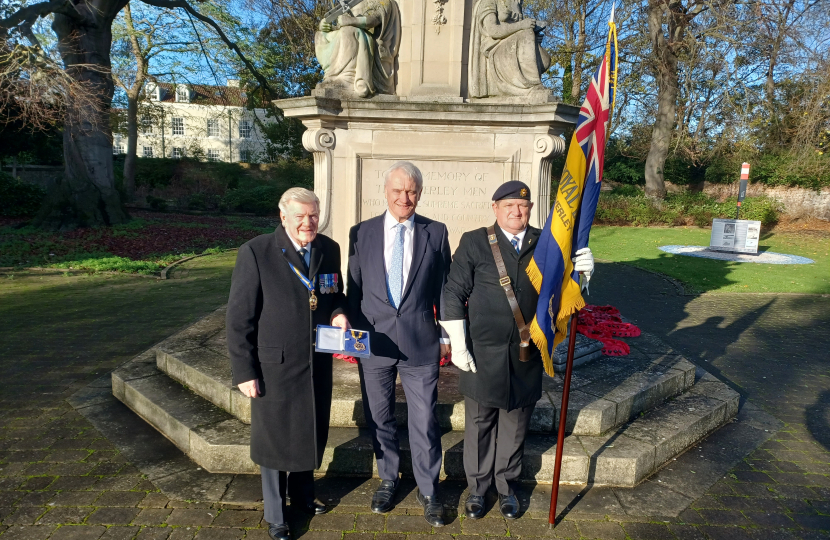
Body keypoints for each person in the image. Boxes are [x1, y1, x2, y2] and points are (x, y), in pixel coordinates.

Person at [441, 181, 593, 520]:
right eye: (508, 205)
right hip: (483, 352)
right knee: (480, 425)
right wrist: (458, 341)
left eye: (522, 206)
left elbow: (564, 290)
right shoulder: (475, 241)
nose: (516, 211)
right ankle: (478, 490)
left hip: (527, 352)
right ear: (495, 208)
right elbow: (452, 291)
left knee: (516, 423)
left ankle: (507, 488)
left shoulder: (547, 243)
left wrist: (582, 276)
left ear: (529, 210)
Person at [226, 187, 349, 540]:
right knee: (276, 438)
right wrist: (244, 371)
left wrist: (339, 313)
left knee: (309, 431)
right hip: (273, 365)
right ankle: (276, 514)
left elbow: (333, 294)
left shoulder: (329, 249)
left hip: (316, 362)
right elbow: (239, 319)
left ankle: (304, 497)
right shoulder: (256, 252)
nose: (308, 223)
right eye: (300, 217)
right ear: (283, 217)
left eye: (313, 215)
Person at [347, 161, 452, 526]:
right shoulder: (360, 233)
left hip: (420, 342)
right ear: (386, 192)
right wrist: (354, 333)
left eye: (411, 191)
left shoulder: (435, 232)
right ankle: (388, 479)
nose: (404, 198)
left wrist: (446, 332)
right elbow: (354, 289)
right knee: (380, 417)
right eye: (397, 190)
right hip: (374, 342)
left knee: (424, 421)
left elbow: (445, 289)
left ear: (419, 194)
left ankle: (428, 489)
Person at [315, 0, 401, 97]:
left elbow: (373, 20)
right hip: (355, 39)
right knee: (320, 35)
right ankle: (332, 76)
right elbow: (341, 25)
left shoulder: (382, 2)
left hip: (373, 47)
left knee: (349, 31)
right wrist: (326, 25)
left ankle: (347, 79)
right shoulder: (352, 3)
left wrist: (350, 21)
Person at [468, 0, 552, 98]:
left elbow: (518, 30)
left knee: (545, 59)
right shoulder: (488, 2)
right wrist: (521, 26)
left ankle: (530, 86)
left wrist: (534, 36)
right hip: (496, 46)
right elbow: (493, 31)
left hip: (515, 42)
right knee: (527, 34)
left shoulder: (515, 3)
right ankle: (533, 86)